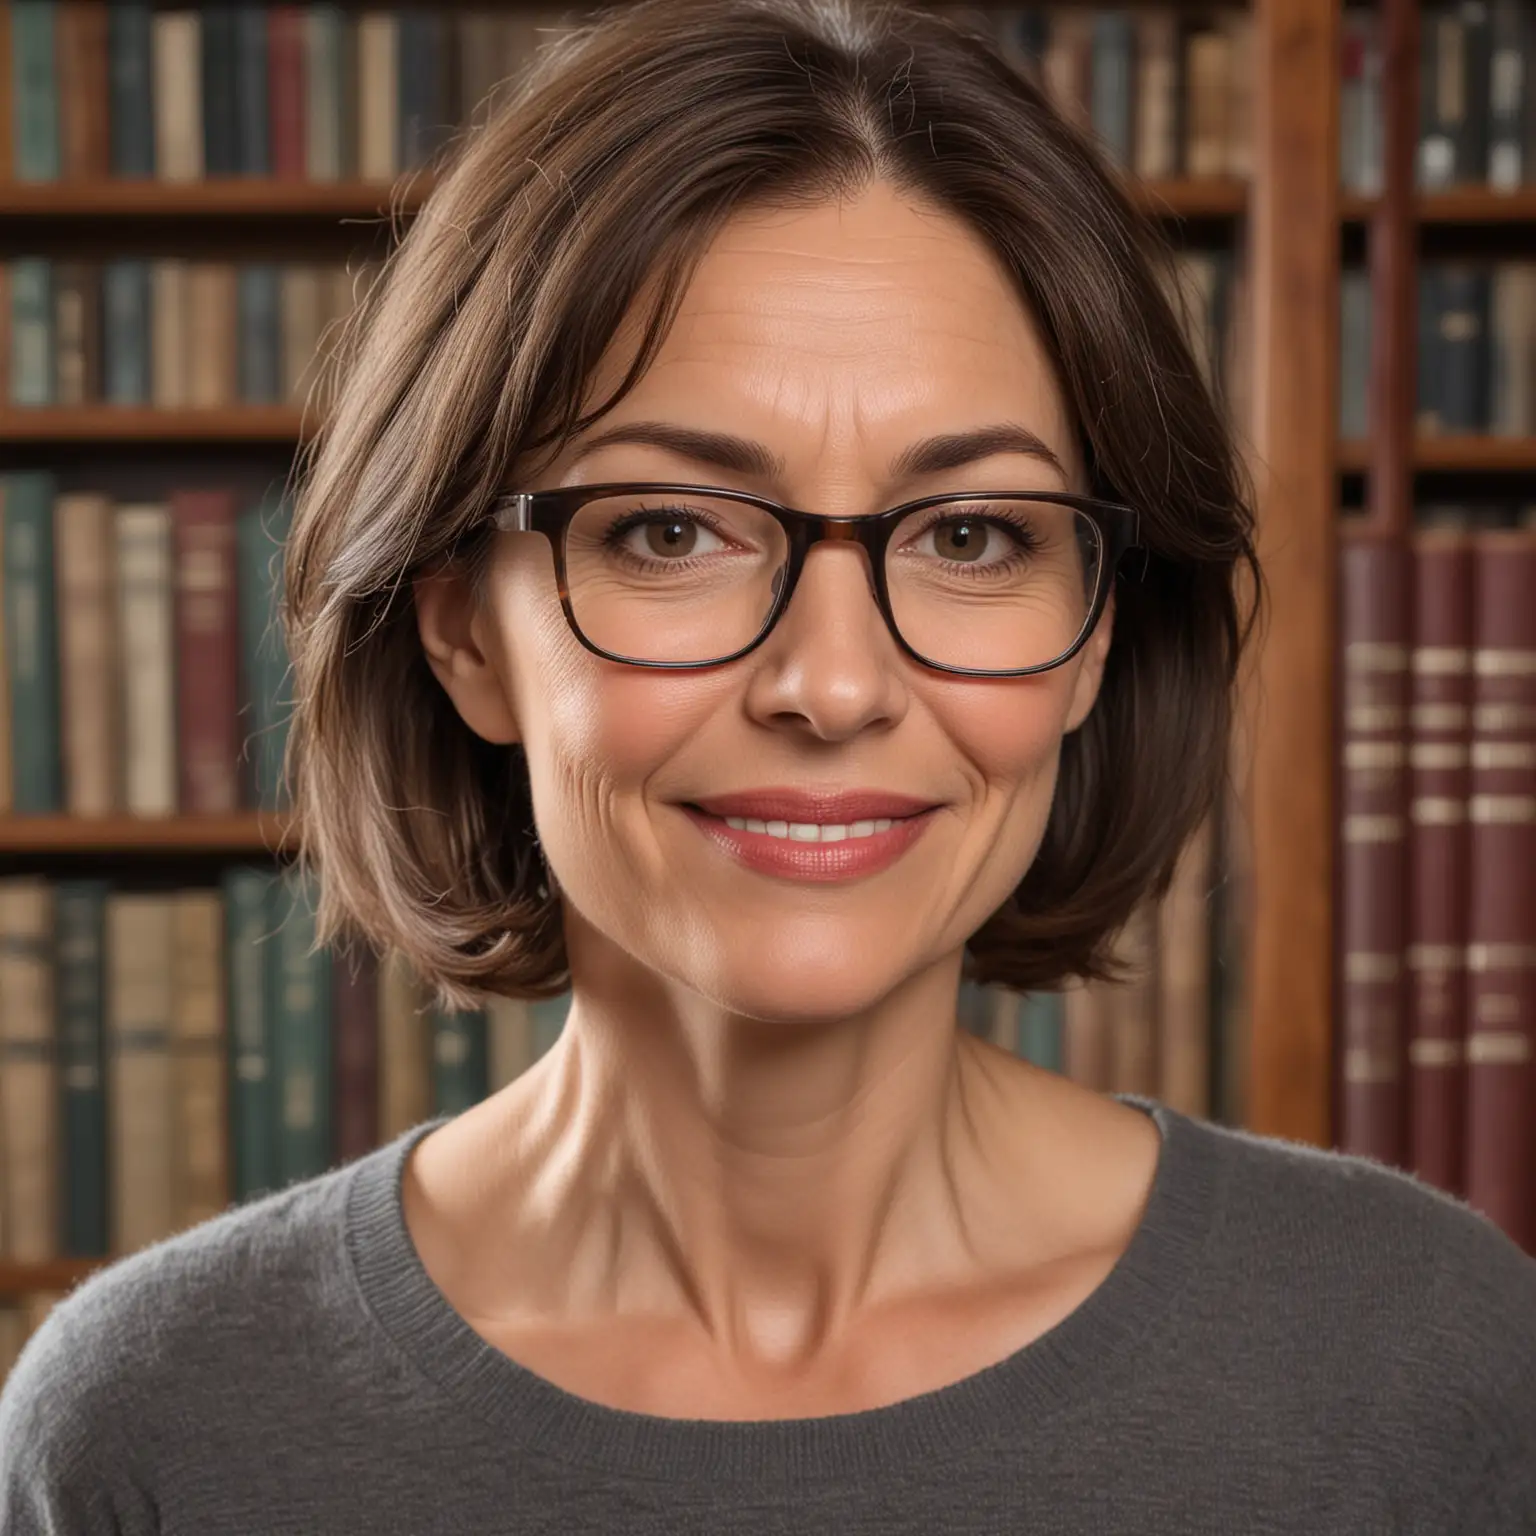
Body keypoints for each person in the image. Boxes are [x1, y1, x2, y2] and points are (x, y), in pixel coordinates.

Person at [4, 0, 1535, 1529]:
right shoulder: (156, 1427)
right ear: (465, 630)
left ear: (1096, 640)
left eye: (971, 537)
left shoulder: (1425, 1366)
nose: (833, 684)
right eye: (671, 532)